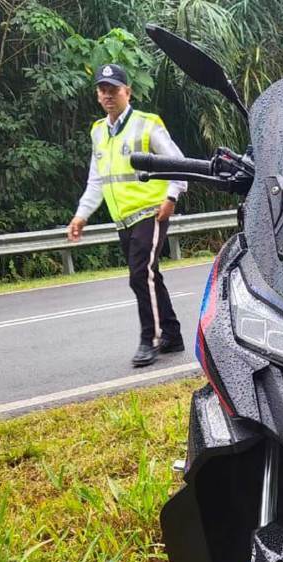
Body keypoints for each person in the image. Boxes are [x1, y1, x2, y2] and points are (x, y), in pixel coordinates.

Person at [67, 64, 187, 367]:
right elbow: (97, 179)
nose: (108, 95)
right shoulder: (98, 131)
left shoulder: (146, 124)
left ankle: (151, 339)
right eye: (102, 90)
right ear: (97, 95)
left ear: (127, 92)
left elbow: (178, 162)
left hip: (151, 212)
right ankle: (172, 333)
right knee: (149, 275)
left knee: (139, 275)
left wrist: (172, 196)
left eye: (114, 90)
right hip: (123, 219)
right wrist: (81, 215)